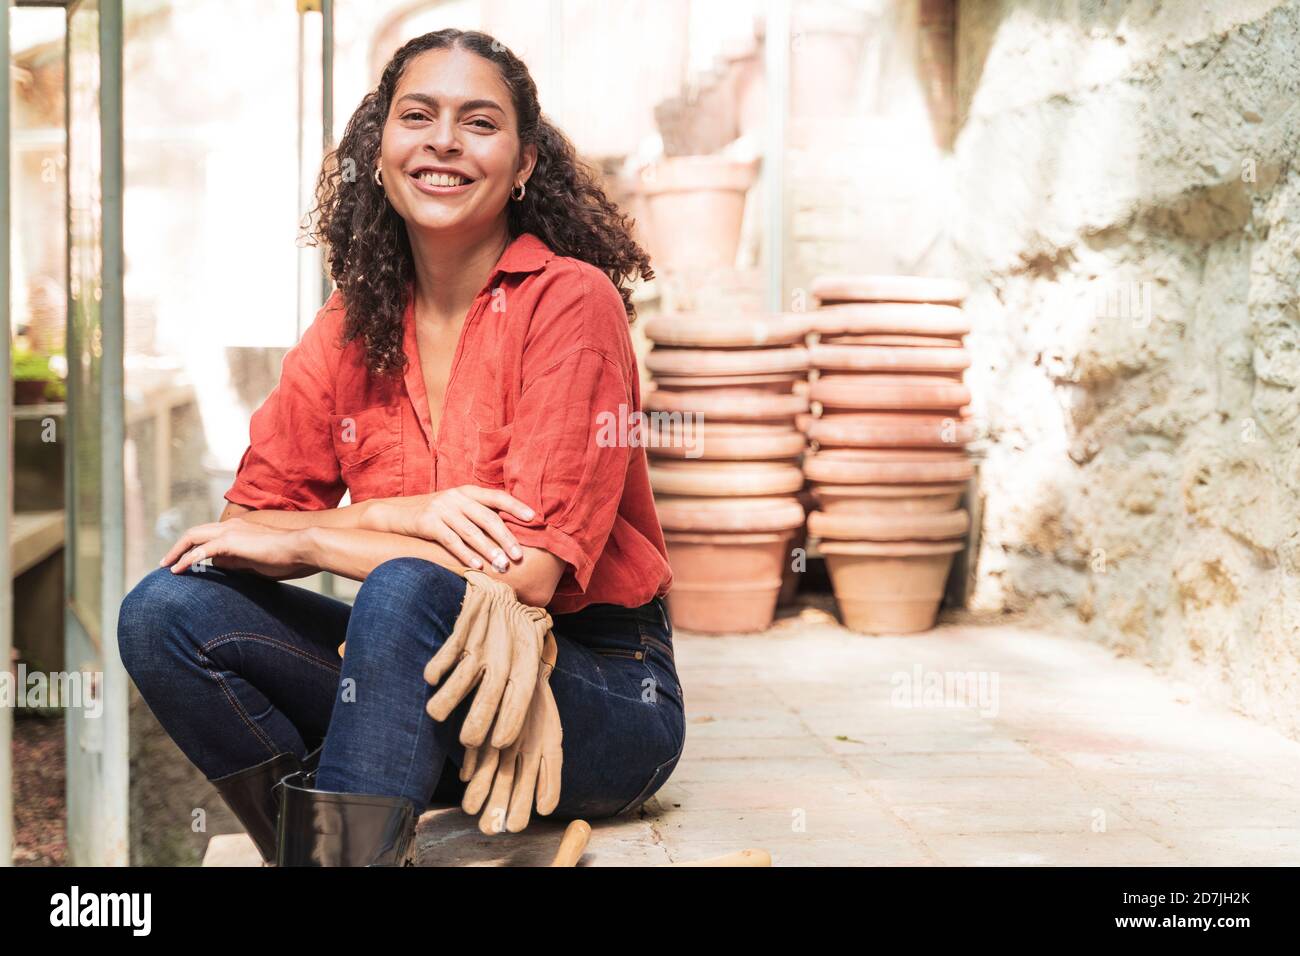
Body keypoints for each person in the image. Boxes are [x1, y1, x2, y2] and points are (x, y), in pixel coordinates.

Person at [117, 28, 682, 867]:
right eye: (418, 115)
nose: (444, 140)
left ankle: (348, 848)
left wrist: (316, 538)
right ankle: (340, 841)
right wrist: (403, 512)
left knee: (405, 592)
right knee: (166, 610)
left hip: (592, 687)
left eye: (479, 122)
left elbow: (523, 573)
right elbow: (243, 532)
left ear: (525, 162)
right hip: (415, 684)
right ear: (379, 149)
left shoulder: (571, 301)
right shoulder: (350, 324)